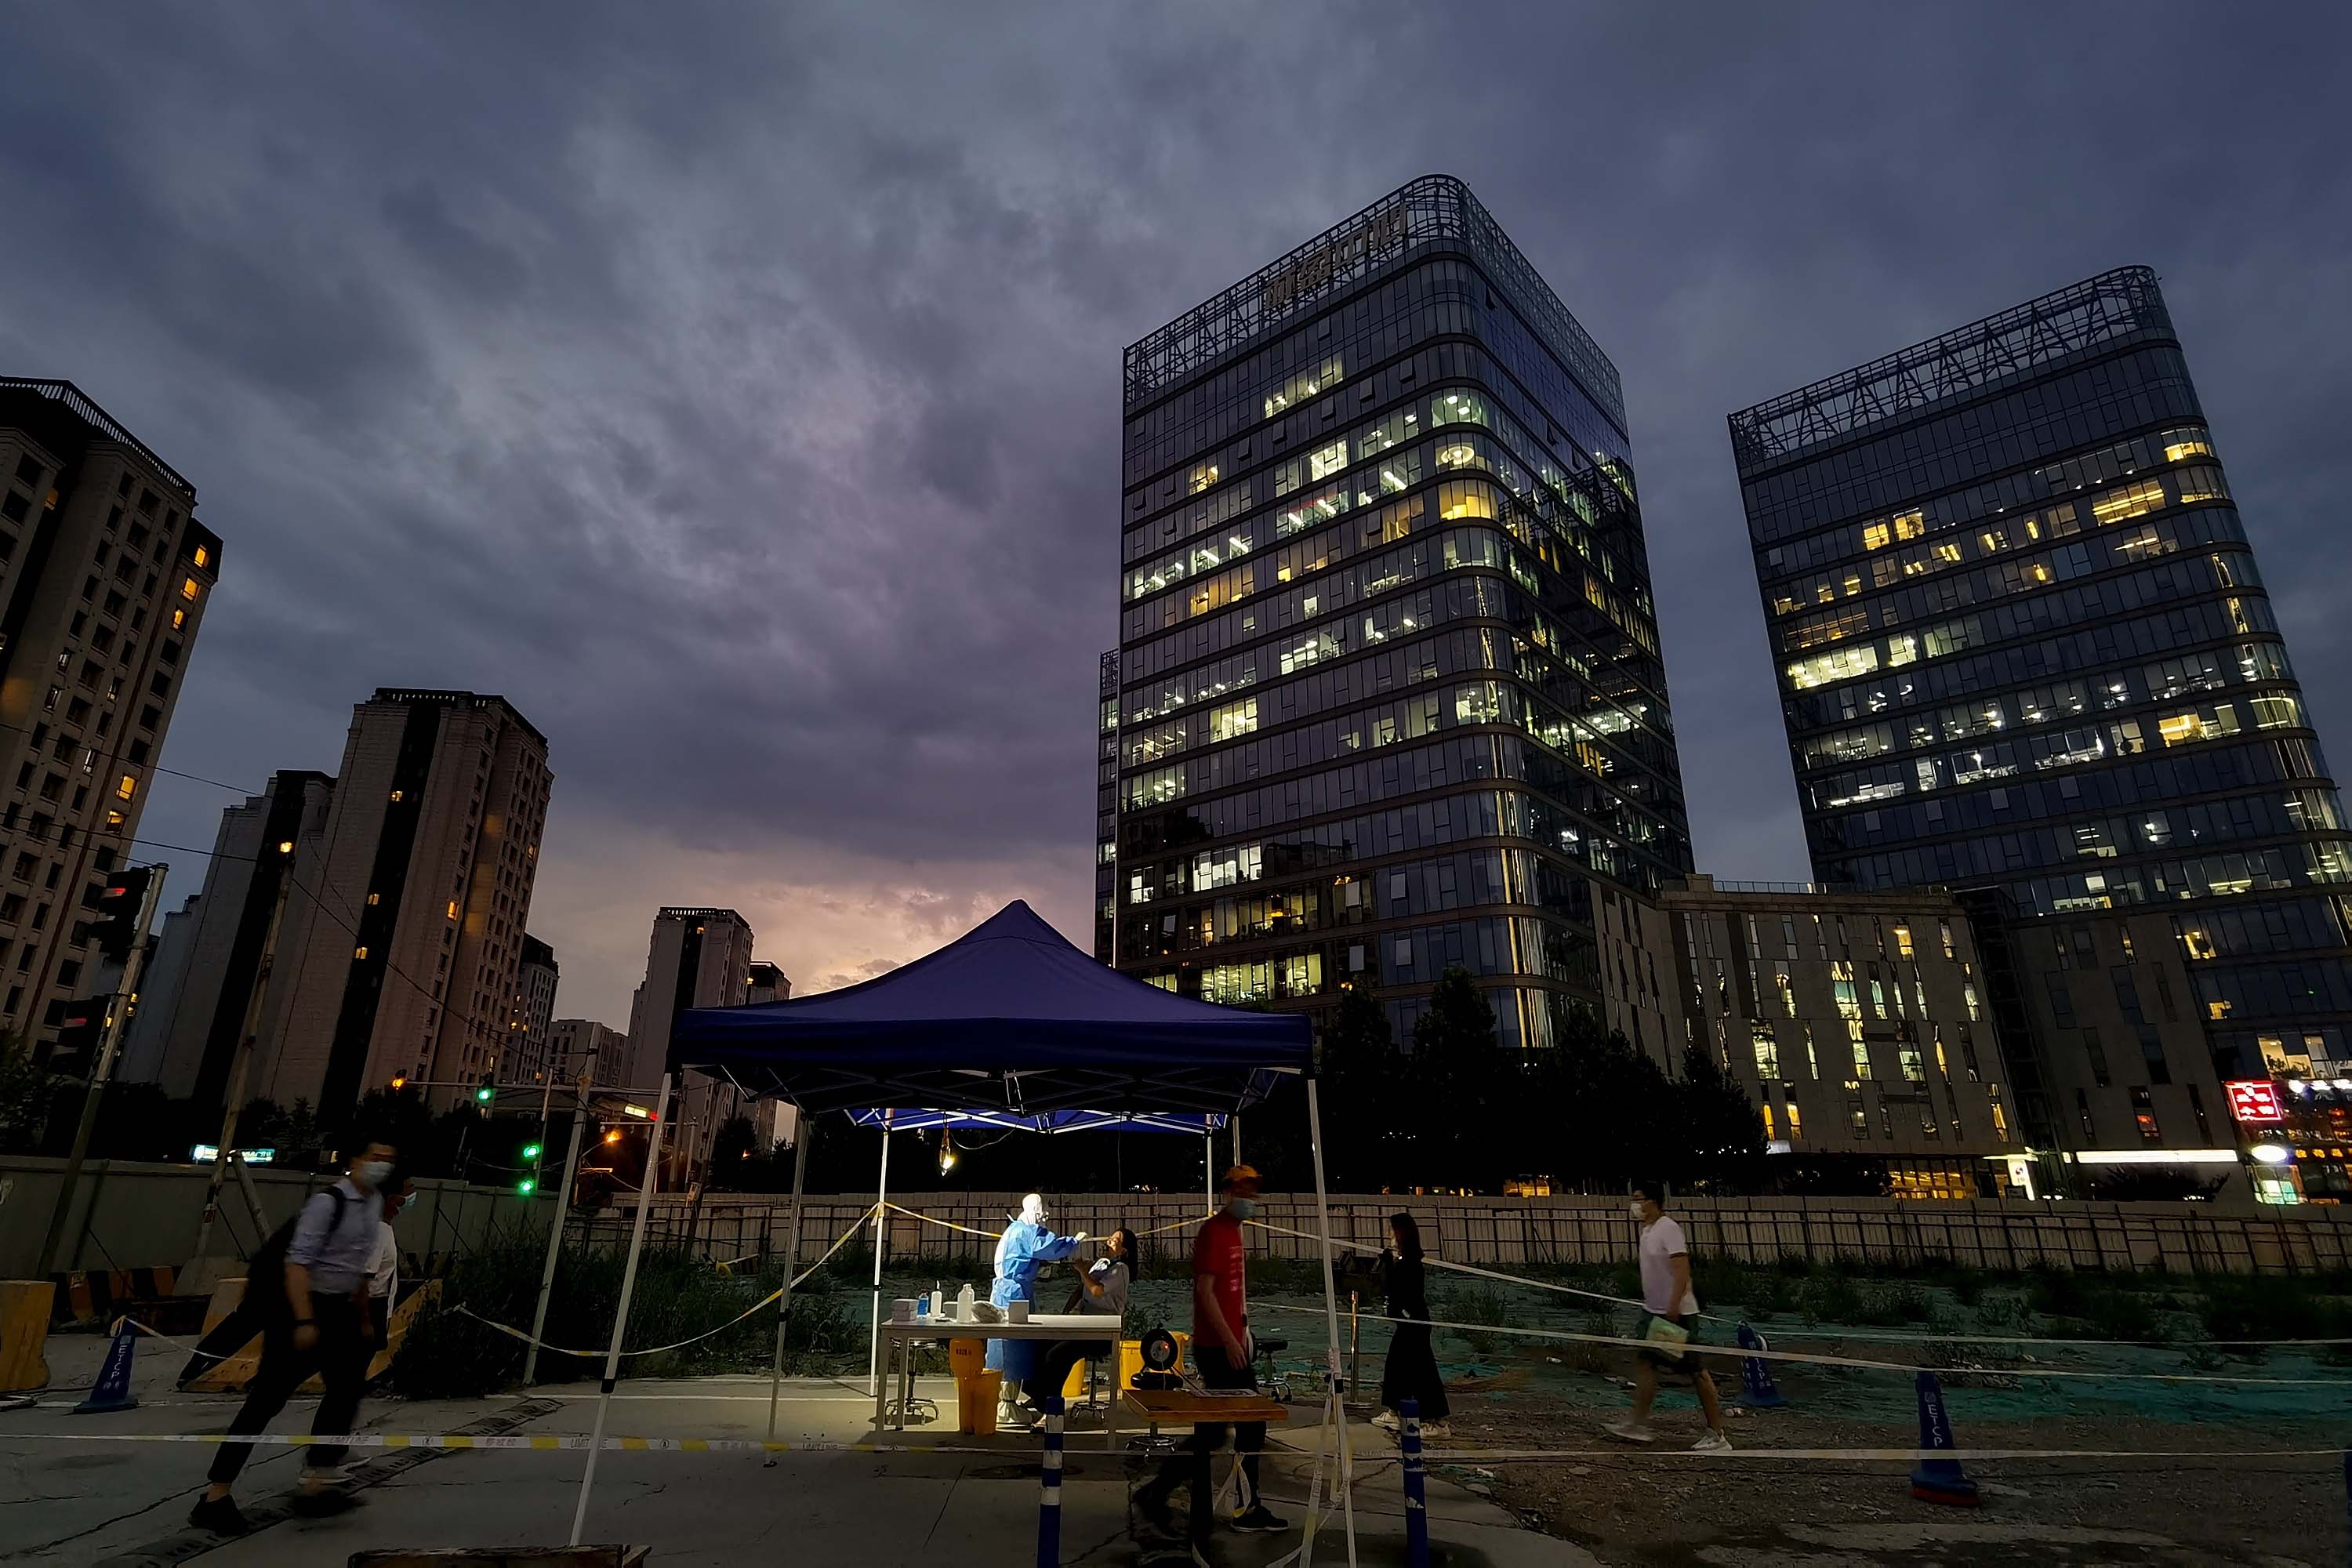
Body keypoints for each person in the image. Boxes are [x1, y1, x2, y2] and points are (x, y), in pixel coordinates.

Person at [187, 1142, 398, 1534]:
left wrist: (362, 1318)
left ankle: (318, 1483)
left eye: (387, 1159)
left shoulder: (373, 1205)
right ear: (354, 1159)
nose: (381, 1166)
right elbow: (297, 1264)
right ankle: (216, 1495)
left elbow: (357, 1265)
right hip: (298, 1306)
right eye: (374, 1157)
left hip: (340, 1309)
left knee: (347, 1389)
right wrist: (303, 1322)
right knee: (266, 1400)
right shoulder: (328, 1203)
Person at [1133, 1165, 1287, 1541]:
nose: (1251, 1200)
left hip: (1229, 1344)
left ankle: (1168, 1496)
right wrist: (1231, 1342)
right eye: (1244, 1192)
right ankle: (1240, 1508)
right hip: (1218, 1349)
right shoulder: (1215, 1232)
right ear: (1228, 1193)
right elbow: (1205, 1292)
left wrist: (1243, 1331)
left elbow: (1231, 1292)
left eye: (1254, 1192)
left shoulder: (1233, 1232)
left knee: (1217, 1432)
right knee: (1243, 1425)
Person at [1606, 1179, 1730, 1452]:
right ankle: (1637, 1423)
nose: (1634, 1205)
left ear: (1653, 1201)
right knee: (1645, 1363)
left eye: (1638, 1198)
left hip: (1676, 1314)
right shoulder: (1647, 1231)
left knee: (1695, 1371)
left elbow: (1682, 1269)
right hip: (1653, 1312)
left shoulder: (1668, 1229)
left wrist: (1674, 1304)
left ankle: (1717, 1434)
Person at [985, 1192, 1084, 1430]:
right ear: (1036, 1212)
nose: (1045, 1219)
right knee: (1014, 1349)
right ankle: (1007, 1405)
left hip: (1005, 1292)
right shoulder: (1027, 1232)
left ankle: (1005, 1401)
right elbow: (1049, 1247)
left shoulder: (1013, 1230)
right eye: (1043, 1213)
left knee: (1003, 1348)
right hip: (1014, 1295)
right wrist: (1073, 1242)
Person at [1030, 1226, 1134, 1415]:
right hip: (1084, 1325)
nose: (1109, 1240)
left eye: (1115, 1240)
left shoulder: (1120, 1269)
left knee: (1058, 1355)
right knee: (1041, 1343)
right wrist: (1066, 1312)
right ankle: (1038, 1395)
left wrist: (1082, 1271)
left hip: (1102, 1332)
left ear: (1124, 1250)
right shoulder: (1100, 1264)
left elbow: (1096, 1290)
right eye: (1110, 1237)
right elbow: (1081, 1289)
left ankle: (1051, 1410)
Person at [1372, 1212, 1449, 1437]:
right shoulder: (1403, 1259)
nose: (1389, 1235)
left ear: (1401, 1233)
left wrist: (1390, 1269)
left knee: (1423, 1371)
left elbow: (1404, 1291)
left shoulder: (1412, 1262)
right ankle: (1396, 1411)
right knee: (1397, 1366)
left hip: (1414, 1324)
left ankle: (1438, 1422)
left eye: (1392, 1231)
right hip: (1405, 1323)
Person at [366, 1171, 413, 1348]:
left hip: (378, 1311)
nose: (411, 1198)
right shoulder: (377, 1231)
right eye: (408, 1191)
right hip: (369, 1312)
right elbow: (363, 1280)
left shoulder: (384, 1228)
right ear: (392, 1199)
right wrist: (365, 1323)